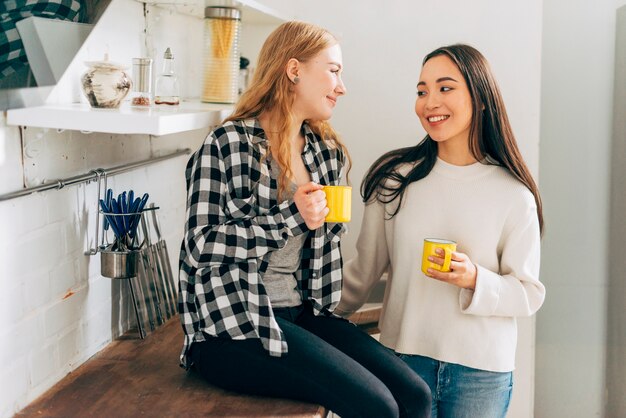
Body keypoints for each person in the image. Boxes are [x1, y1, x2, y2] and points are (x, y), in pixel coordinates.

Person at [178, 21, 431, 418]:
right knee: (378, 407)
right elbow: (199, 247)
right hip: (233, 327)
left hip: (301, 312)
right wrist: (290, 217)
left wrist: (325, 224)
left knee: (415, 395)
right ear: (294, 70)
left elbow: (318, 248)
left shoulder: (322, 151)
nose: (342, 86)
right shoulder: (226, 145)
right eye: (333, 71)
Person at [335, 44, 546, 418]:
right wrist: (301, 321)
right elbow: (362, 272)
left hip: (481, 372)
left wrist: (474, 278)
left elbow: (528, 294)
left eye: (445, 88)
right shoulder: (394, 180)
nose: (429, 102)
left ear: (480, 98)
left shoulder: (514, 194)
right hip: (402, 360)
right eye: (421, 91)